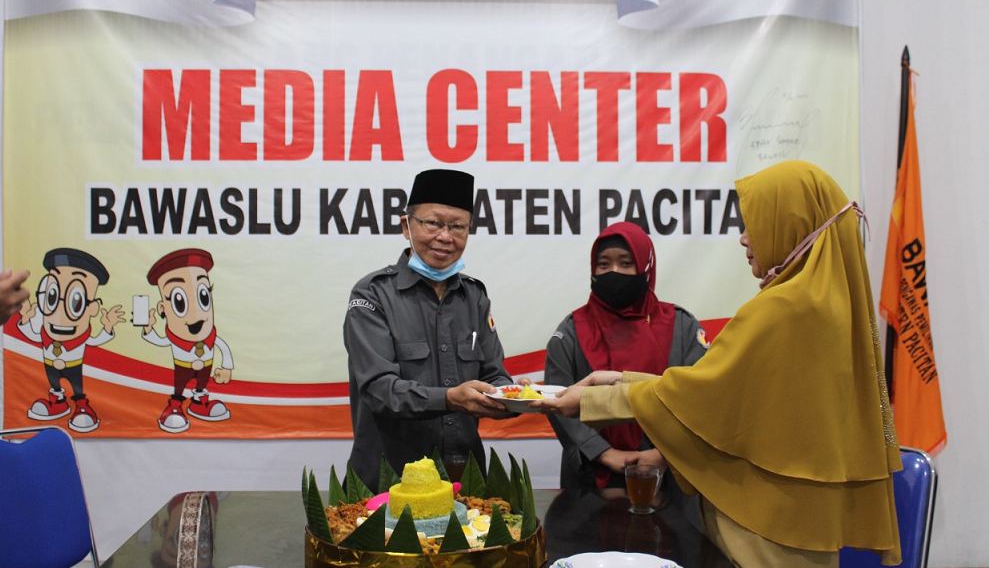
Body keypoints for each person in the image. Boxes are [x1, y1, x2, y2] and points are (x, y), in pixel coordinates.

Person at [535, 161, 902, 567]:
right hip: (804, 516)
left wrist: (592, 401)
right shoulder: (830, 303)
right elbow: (714, 384)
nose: (745, 238)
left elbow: (702, 396)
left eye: (755, 223)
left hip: (765, 524)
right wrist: (621, 379)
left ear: (789, 223)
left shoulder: (780, 310)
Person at [345, 169, 517, 491]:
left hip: (463, 481)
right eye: (434, 223)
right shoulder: (372, 295)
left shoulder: (474, 296)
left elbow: (494, 373)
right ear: (406, 226)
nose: (445, 237)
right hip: (389, 483)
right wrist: (450, 399)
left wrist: (512, 396)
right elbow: (380, 391)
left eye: (457, 227)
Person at [545, 221, 708, 489]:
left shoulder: (681, 325)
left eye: (626, 263)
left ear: (645, 267)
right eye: (604, 264)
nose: (614, 272)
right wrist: (606, 454)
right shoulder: (572, 330)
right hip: (590, 479)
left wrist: (663, 455)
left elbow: (699, 397)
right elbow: (558, 402)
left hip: (670, 476)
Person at [18, 248, 124, 432]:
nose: (60, 310)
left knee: (77, 387)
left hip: (74, 364)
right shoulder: (43, 333)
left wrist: (107, 327)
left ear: (92, 308)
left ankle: (82, 406)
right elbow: (31, 334)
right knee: (54, 382)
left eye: (76, 301)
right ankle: (57, 402)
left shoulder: (82, 337)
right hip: (50, 363)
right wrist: (26, 318)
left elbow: (96, 340)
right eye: (51, 296)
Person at [143, 248, 234, 433]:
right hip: (182, 367)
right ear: (163, 309)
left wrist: (226, 367)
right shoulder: (174, 339)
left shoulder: (212, 337)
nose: (196, 315)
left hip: (206, 366)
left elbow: (223, 347)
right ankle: (175, 406)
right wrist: (147, 328)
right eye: (179, 301)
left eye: (203, 296)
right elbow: (160, 341)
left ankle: (199, 402)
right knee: (179, 387)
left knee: (202, 384)